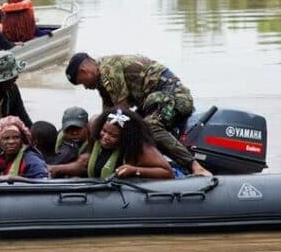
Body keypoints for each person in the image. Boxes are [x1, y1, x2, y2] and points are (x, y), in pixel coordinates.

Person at [66, 52, 212, 177]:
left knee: (149, 126)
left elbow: (122, 112)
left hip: (173, 95)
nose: (85, 87)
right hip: (151, 102)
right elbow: (108, 116)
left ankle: (195, 166)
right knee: (105, 124)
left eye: (82, 83)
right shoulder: (102, 78)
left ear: (84, 71)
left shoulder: (108, 71)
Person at [86, 108, 173, 180]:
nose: (105, 137)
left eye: (113, 135)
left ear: (125, 137)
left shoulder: (139, 148)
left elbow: (168, 173)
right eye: (104, 131)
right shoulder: (95, 136)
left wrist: (135, 170)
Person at [48, 106, 91, 178]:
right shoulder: (57, 136)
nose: (74, 133)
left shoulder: (94, 142)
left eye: (78, 128)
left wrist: (54, 168)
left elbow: (82, 167)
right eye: (69, 129)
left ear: (87, 126)